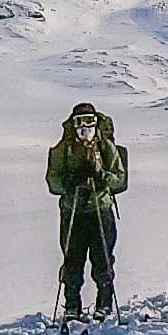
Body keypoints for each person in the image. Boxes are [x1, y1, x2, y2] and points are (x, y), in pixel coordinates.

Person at [47, 102, 128, 322]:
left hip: (100, 209)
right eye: (79, 122)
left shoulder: (106, 148)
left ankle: (104, 303)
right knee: (72, 259)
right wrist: (70, 183)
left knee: (103, 259)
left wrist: (101, 175)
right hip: (73, 211)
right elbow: (52, 182)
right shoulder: (62, 150)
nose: (84, 127)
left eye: (89, 121)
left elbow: (119, 179)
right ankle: (72, 304)